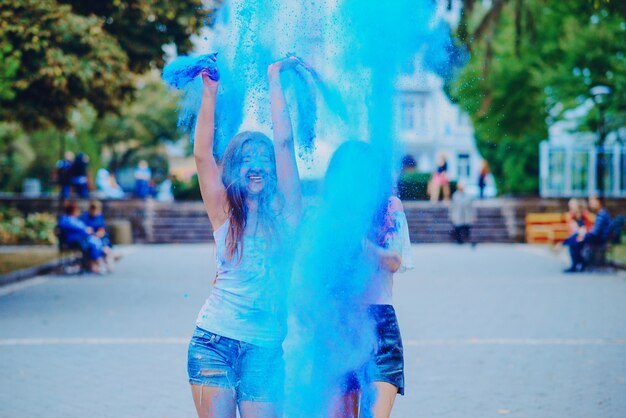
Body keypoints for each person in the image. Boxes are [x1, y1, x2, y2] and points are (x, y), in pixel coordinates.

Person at [187, 56, 304, 418]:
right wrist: (210, 92)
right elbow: (203, 156)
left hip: (265, 351)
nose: (256, 167)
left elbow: (284, 143)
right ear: (234, 169)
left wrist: (274, 80)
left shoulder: (287, 214)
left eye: (263, 159)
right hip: (212, 344)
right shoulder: (223, 212)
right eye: (246, 160)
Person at [360, 195, 414, 417]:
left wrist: (357, 242)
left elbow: (393, 261)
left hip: (381, 324)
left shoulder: (390, 205)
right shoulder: (334, 207)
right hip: (340, 326)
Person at [564, 196, 612, 273]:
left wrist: (584, 236)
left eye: (592, 201)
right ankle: (578, 263)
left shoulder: (601, 215)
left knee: (575, 241)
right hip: (596, 237)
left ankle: (579, 263)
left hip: (599, 239)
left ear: (598, 202)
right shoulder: (600, 214)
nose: (590, 203)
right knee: (573, 241)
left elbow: (595, 232)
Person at [58, 201, 105, 273]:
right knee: (93, 242)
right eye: (77, 211)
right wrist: (87, 230)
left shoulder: (73, 219)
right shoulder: (67, 219)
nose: (78, 213)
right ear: (73, 211)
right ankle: (96, 262)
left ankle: (95, 262)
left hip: (81, 239)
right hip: (74, 241)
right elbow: (83, 229)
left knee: (95, 241)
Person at [80, 200, 114, 273]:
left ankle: (107, 263)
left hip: (99, 237)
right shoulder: (85, 217)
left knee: (106, 246)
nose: (95, 211)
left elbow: (102, 229)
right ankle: (98, 263)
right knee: (95, 244)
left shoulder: (99, 217)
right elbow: (85, 230)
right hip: (88, 238)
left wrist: (98, 234)